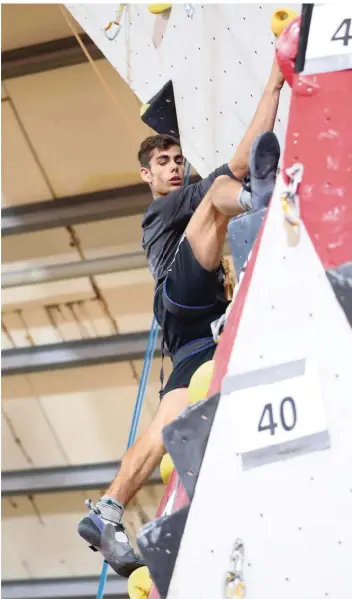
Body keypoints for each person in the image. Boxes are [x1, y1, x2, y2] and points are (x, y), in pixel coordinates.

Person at [77, 56, 284, 577]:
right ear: (147, 175)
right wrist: (276, 77)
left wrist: (277, 81)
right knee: (220, 193)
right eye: (162, 162)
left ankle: (108, 512)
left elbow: (240, 156)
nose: (173, 166)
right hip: (184, 294)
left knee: (163, 428)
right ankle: (270, 205)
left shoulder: (179, 206)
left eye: (177, 159)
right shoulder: (171, 205)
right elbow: (236, 166)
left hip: (191, 342)